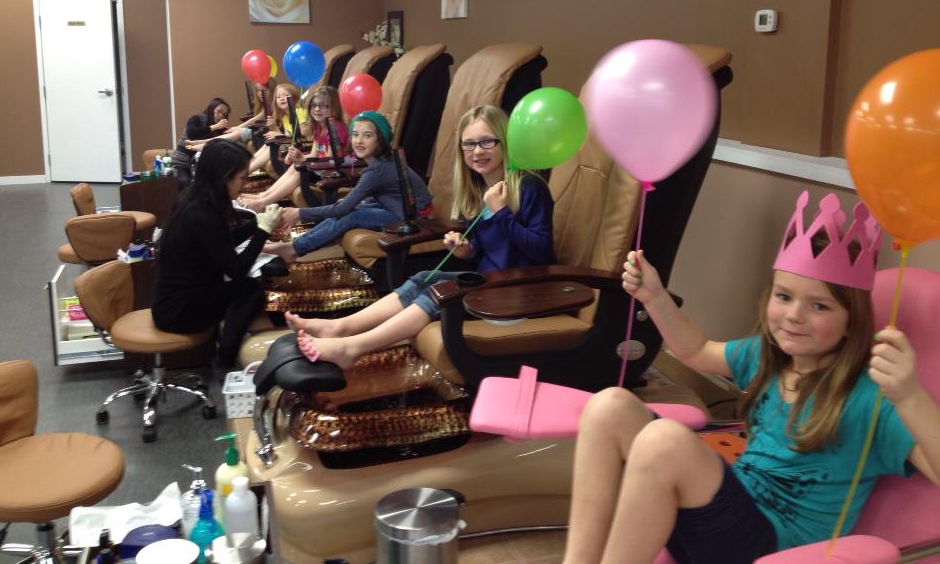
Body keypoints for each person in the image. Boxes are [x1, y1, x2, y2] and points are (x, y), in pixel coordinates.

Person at [562, 191, 940, 564]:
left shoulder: (868, 398)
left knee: (665, 441)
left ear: (850, 323)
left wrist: (909, 396)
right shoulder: (769, 356)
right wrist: (655, 298)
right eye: (784, 297)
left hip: (772, 545)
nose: (794, 315)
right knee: (608, 405)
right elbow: (696, 351)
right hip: (721, 517)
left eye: (819, 306)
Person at [284, 104, 556, 369]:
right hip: (491, 280)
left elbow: (542, 252)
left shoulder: (528, 187)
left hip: (519, 291)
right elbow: (493, 247)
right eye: (469, 144)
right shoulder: (481, 190)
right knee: (422, 279)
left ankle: (351, 348)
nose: (477, 152)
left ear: (505, 142)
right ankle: (339, 327)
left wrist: (501, 214)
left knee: (437, 294)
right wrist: (468, 250)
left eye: (487, 142)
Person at [152, 139, 283, 371]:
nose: (243, 185)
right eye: (241, 178)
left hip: (170, 302)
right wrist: (263, 230)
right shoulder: (203, 214)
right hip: (181, 312)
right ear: (224, 177)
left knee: (245, 287)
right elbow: (236, 269)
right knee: (250, 289)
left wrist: (256, 225)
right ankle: (224, 360)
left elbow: (218, 244)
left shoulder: (194, 198)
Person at [264, 110, 431, 263]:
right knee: (348, 207)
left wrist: (299, 213)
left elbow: (342, 209)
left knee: (349, 214)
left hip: (413, 218)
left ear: (380, 139)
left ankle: (293, 249)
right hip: (396, 207)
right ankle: (293, 247)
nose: (359, 140)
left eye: (368, 135)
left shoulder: (377, 170)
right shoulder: (379, 161)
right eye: (355, 134)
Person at [238, 84, 347, 210]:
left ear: (333, 107)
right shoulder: (319, 127)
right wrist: (300, 157)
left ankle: (263, 203)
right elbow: (314, 155)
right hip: (321, 167)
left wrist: (302, 160)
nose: (317, 109)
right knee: (296, 167)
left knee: (299, 169)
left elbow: (329, 161)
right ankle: (263, 196)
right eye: (314, 105)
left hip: (333, 172)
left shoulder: (335, 128)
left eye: (323, 106)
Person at [245, 81, 308, 174]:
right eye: (278, 97)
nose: (282, 99)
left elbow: (303, 135)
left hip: (303, 148)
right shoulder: (285, 117)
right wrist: (275, 129)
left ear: (294, 97)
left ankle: (244, 171)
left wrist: (278, 133)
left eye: (286, 95)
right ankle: (244, 168)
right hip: (291, 146)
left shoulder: (299, 111)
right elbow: (287, 136)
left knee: (271, 146)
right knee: (268, 145)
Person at [172, 97, 232, 189]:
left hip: (199, 166)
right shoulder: (196, 118)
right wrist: (215, 127)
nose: (221, 116)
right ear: (211, 108)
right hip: (181, 163)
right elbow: (192, 134)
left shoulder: (219, 130)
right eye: (219, 111)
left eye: (224, 115)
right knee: (186, 183)